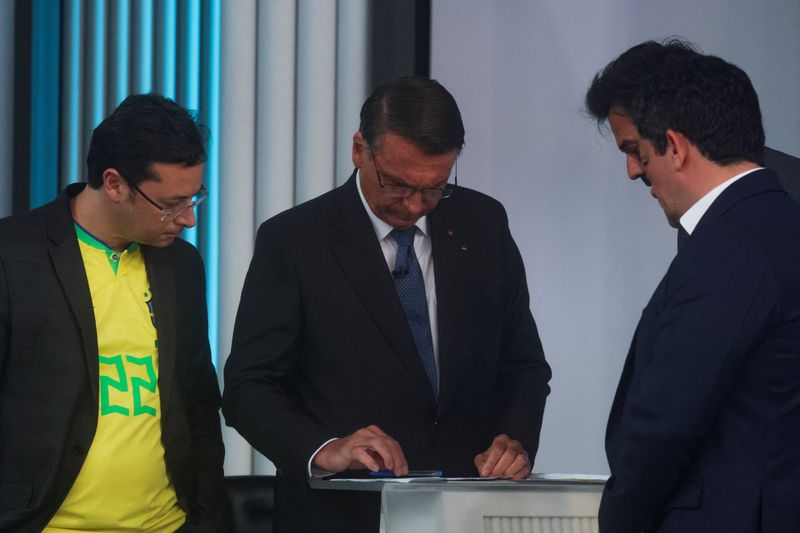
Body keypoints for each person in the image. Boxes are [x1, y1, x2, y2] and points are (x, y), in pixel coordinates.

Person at [223, 76, 551, 532]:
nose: (416, 204)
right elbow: (248, 387)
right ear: (360, 149)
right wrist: (325, 448)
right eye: (397, 184)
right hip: (344, 516)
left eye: (435, 187)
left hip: (467, 512)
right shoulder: (295, 240)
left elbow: (524, 365)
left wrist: (514, 440)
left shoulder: (483, 222)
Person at [586, 40, 800, 532]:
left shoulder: (730, 246)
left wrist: (618, 520)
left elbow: (665, 423)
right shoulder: (782, 224)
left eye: (637, 152)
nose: (633, 171)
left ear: (676, 146)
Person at [0, 94, 227, 531]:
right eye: (170, 204)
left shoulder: (180, 265)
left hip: (167, 523)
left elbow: (199, 400)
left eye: (193, 198)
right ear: (115, 183)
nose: (188, 220)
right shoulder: (13, 255)